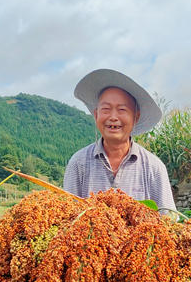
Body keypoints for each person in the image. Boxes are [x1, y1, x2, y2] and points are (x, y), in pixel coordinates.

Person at [63, 69, 176, 212]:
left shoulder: (153, 168)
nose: (113, 117)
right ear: (96, 115)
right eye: (106, 109)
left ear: (136, 117)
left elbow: (168, 219)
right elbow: (67, 216)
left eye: (122, 110)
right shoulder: (78, 163)